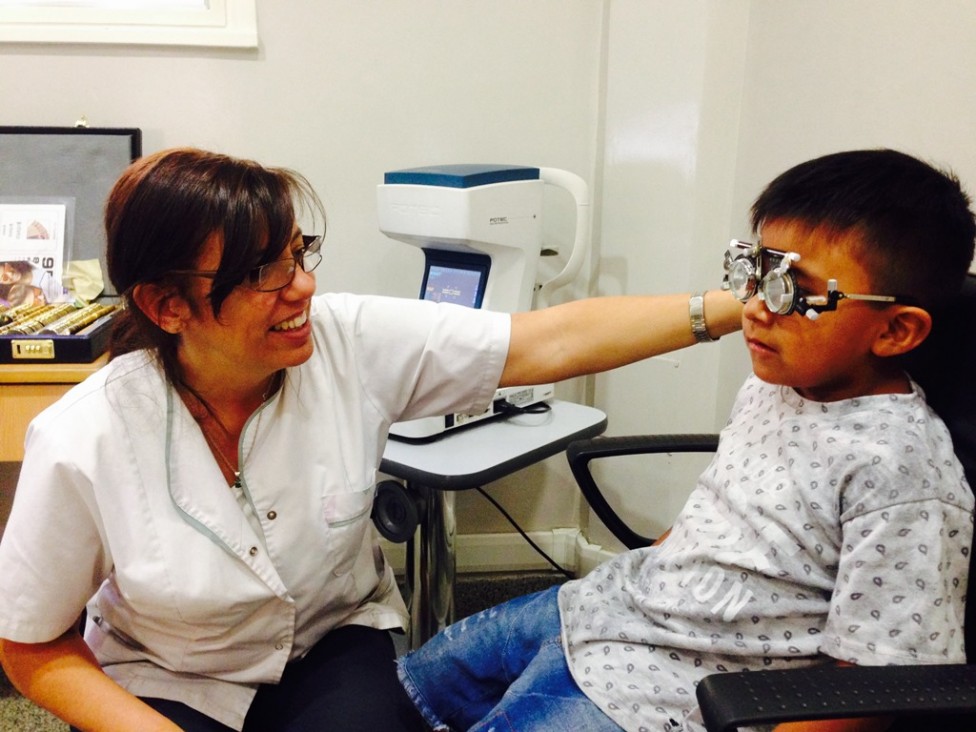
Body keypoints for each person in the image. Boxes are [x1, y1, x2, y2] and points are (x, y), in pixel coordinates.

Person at [0, 147, 743, 732]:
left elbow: (544, 343)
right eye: (265, 271)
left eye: (300, 252)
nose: (302, 288)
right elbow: (31, 647)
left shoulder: (345, 341)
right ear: (168, 305)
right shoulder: (83, 438)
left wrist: (731, 308)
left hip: (329, 642)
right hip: (167, 673)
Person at [395, 148, 976, 732]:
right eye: (756, 271)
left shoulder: (902, 473)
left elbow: (872, 687)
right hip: (612, 606)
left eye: (791, 290)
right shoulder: (778, 384)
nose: (753, 306)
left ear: (896, 329)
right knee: (404, 693)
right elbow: (724, 503)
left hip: (673, 690)